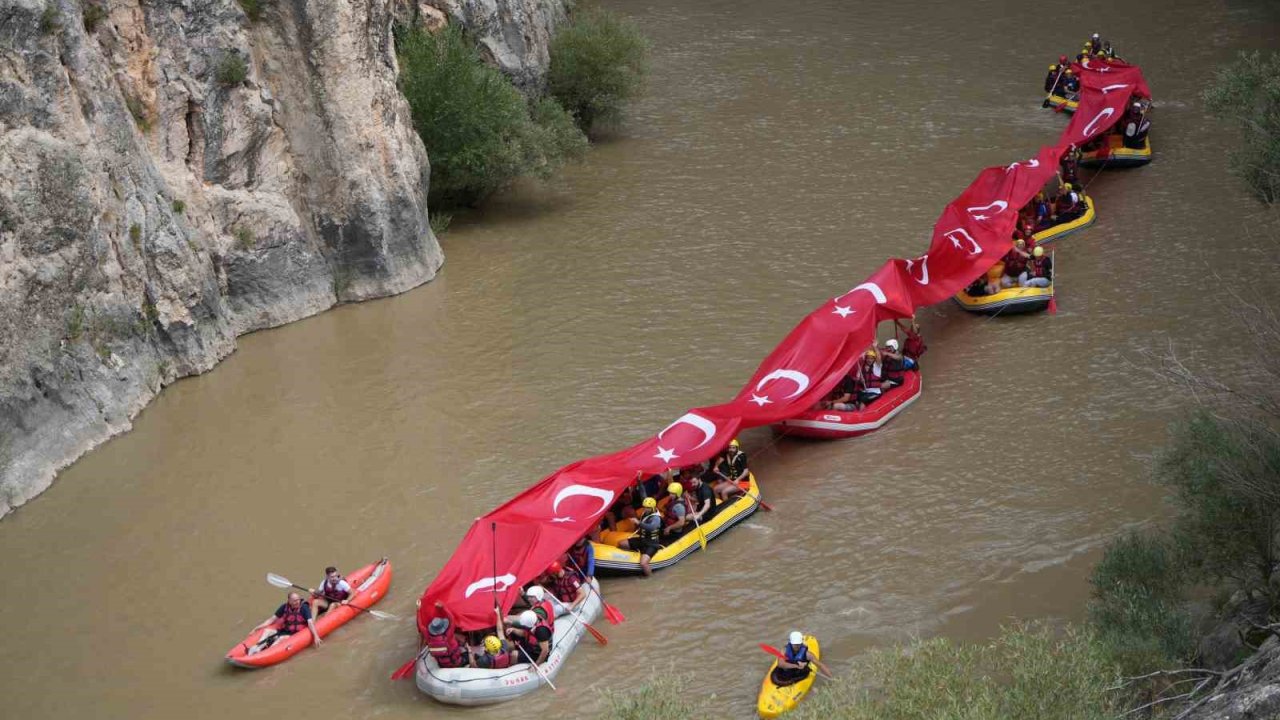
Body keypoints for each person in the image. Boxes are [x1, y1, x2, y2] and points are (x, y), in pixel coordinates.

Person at [251, 592, 321, 650]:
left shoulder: (304, 608)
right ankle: (258, 647)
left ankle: (268, 651)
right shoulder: (284, 607)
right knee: (267, 631)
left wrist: (316, 636)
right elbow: (271, 620)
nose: (297, 602)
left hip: (295, 633)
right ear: (289, 601)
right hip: (284, 630)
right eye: (295, 601)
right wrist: (256, 628)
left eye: (298, 600)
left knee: (282, 638)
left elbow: (310, 622)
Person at [616, 496, 663, 576]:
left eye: (647, 508)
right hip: (642, 540)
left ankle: (650, 578)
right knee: (621, 543)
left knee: (643, 564)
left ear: (652, 508)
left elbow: (651, 527)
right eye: (644, 507)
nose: (645, 509)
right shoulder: (646, 513)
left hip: (651, 544)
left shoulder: (656, 518)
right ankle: (631, 560)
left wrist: (638, 523)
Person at [425, 600, 467, 668]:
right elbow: (452, 619)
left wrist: (418, 610)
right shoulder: (448, 636)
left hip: (442, 665)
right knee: (470, 655)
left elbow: (422, 627)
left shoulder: (429, 638)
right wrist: (443, 608)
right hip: (456, 662)